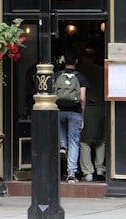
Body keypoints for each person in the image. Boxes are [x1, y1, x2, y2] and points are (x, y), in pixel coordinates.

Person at [55, 49, 89, 183]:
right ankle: (71, 173)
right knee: (74, 142)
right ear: (76, 61)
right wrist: (83, 115)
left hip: (59, 111)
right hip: (74, 112)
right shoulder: (81, 77)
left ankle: (62, 145)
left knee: (62, 135)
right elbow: (82, 98)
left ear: (64, 61)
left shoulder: (56, 76)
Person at [77, 46, 106, 181]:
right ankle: (100, 169)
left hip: (86, 109)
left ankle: (87, 171)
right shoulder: (102, 71)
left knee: (85, 142)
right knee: (101, 140)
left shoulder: (79, 72)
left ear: (82, 58)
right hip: (102, 109)